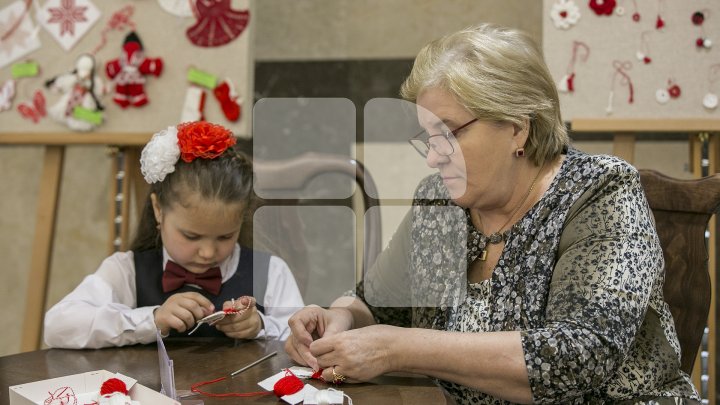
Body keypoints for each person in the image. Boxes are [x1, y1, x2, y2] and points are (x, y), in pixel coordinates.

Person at [285, 24, 700, 404]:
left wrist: (399, 348)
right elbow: (377, 302)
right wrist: (337, 316)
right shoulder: (438, 203)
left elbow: (580, 355)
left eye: (448, 133)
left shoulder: (600, 191)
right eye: (428, 137)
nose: (432, 157)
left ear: (518, 127)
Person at [44, 121, 304, 349]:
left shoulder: (270, 272)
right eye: (191, 236)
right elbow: (58, 327)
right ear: (159, 210)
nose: (208, 253)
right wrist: (151, 319)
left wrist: (260, 326)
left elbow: (305, 339)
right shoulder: (126, 271)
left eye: (225, 237)